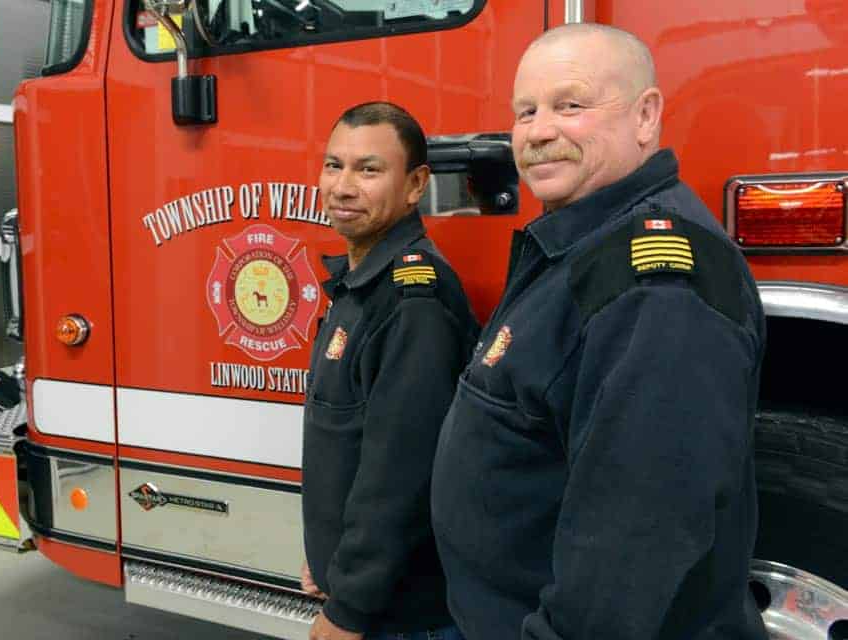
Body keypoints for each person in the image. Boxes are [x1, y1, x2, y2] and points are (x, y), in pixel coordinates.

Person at [431, 24, 769, 640]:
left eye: (570, 105)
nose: (538, 132)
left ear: (646, 116)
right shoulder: (586, 245)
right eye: (525, 111)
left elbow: (634, 544)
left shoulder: (656, 290)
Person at [301, 101, 479, 640]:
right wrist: (328, 557)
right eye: (334, 165)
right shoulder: (362, 286)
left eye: (369, 170)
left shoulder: (413, 304)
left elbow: (400, 477)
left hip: (401, 619)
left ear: (415, 184)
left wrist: (349, 606)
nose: (343, 187)